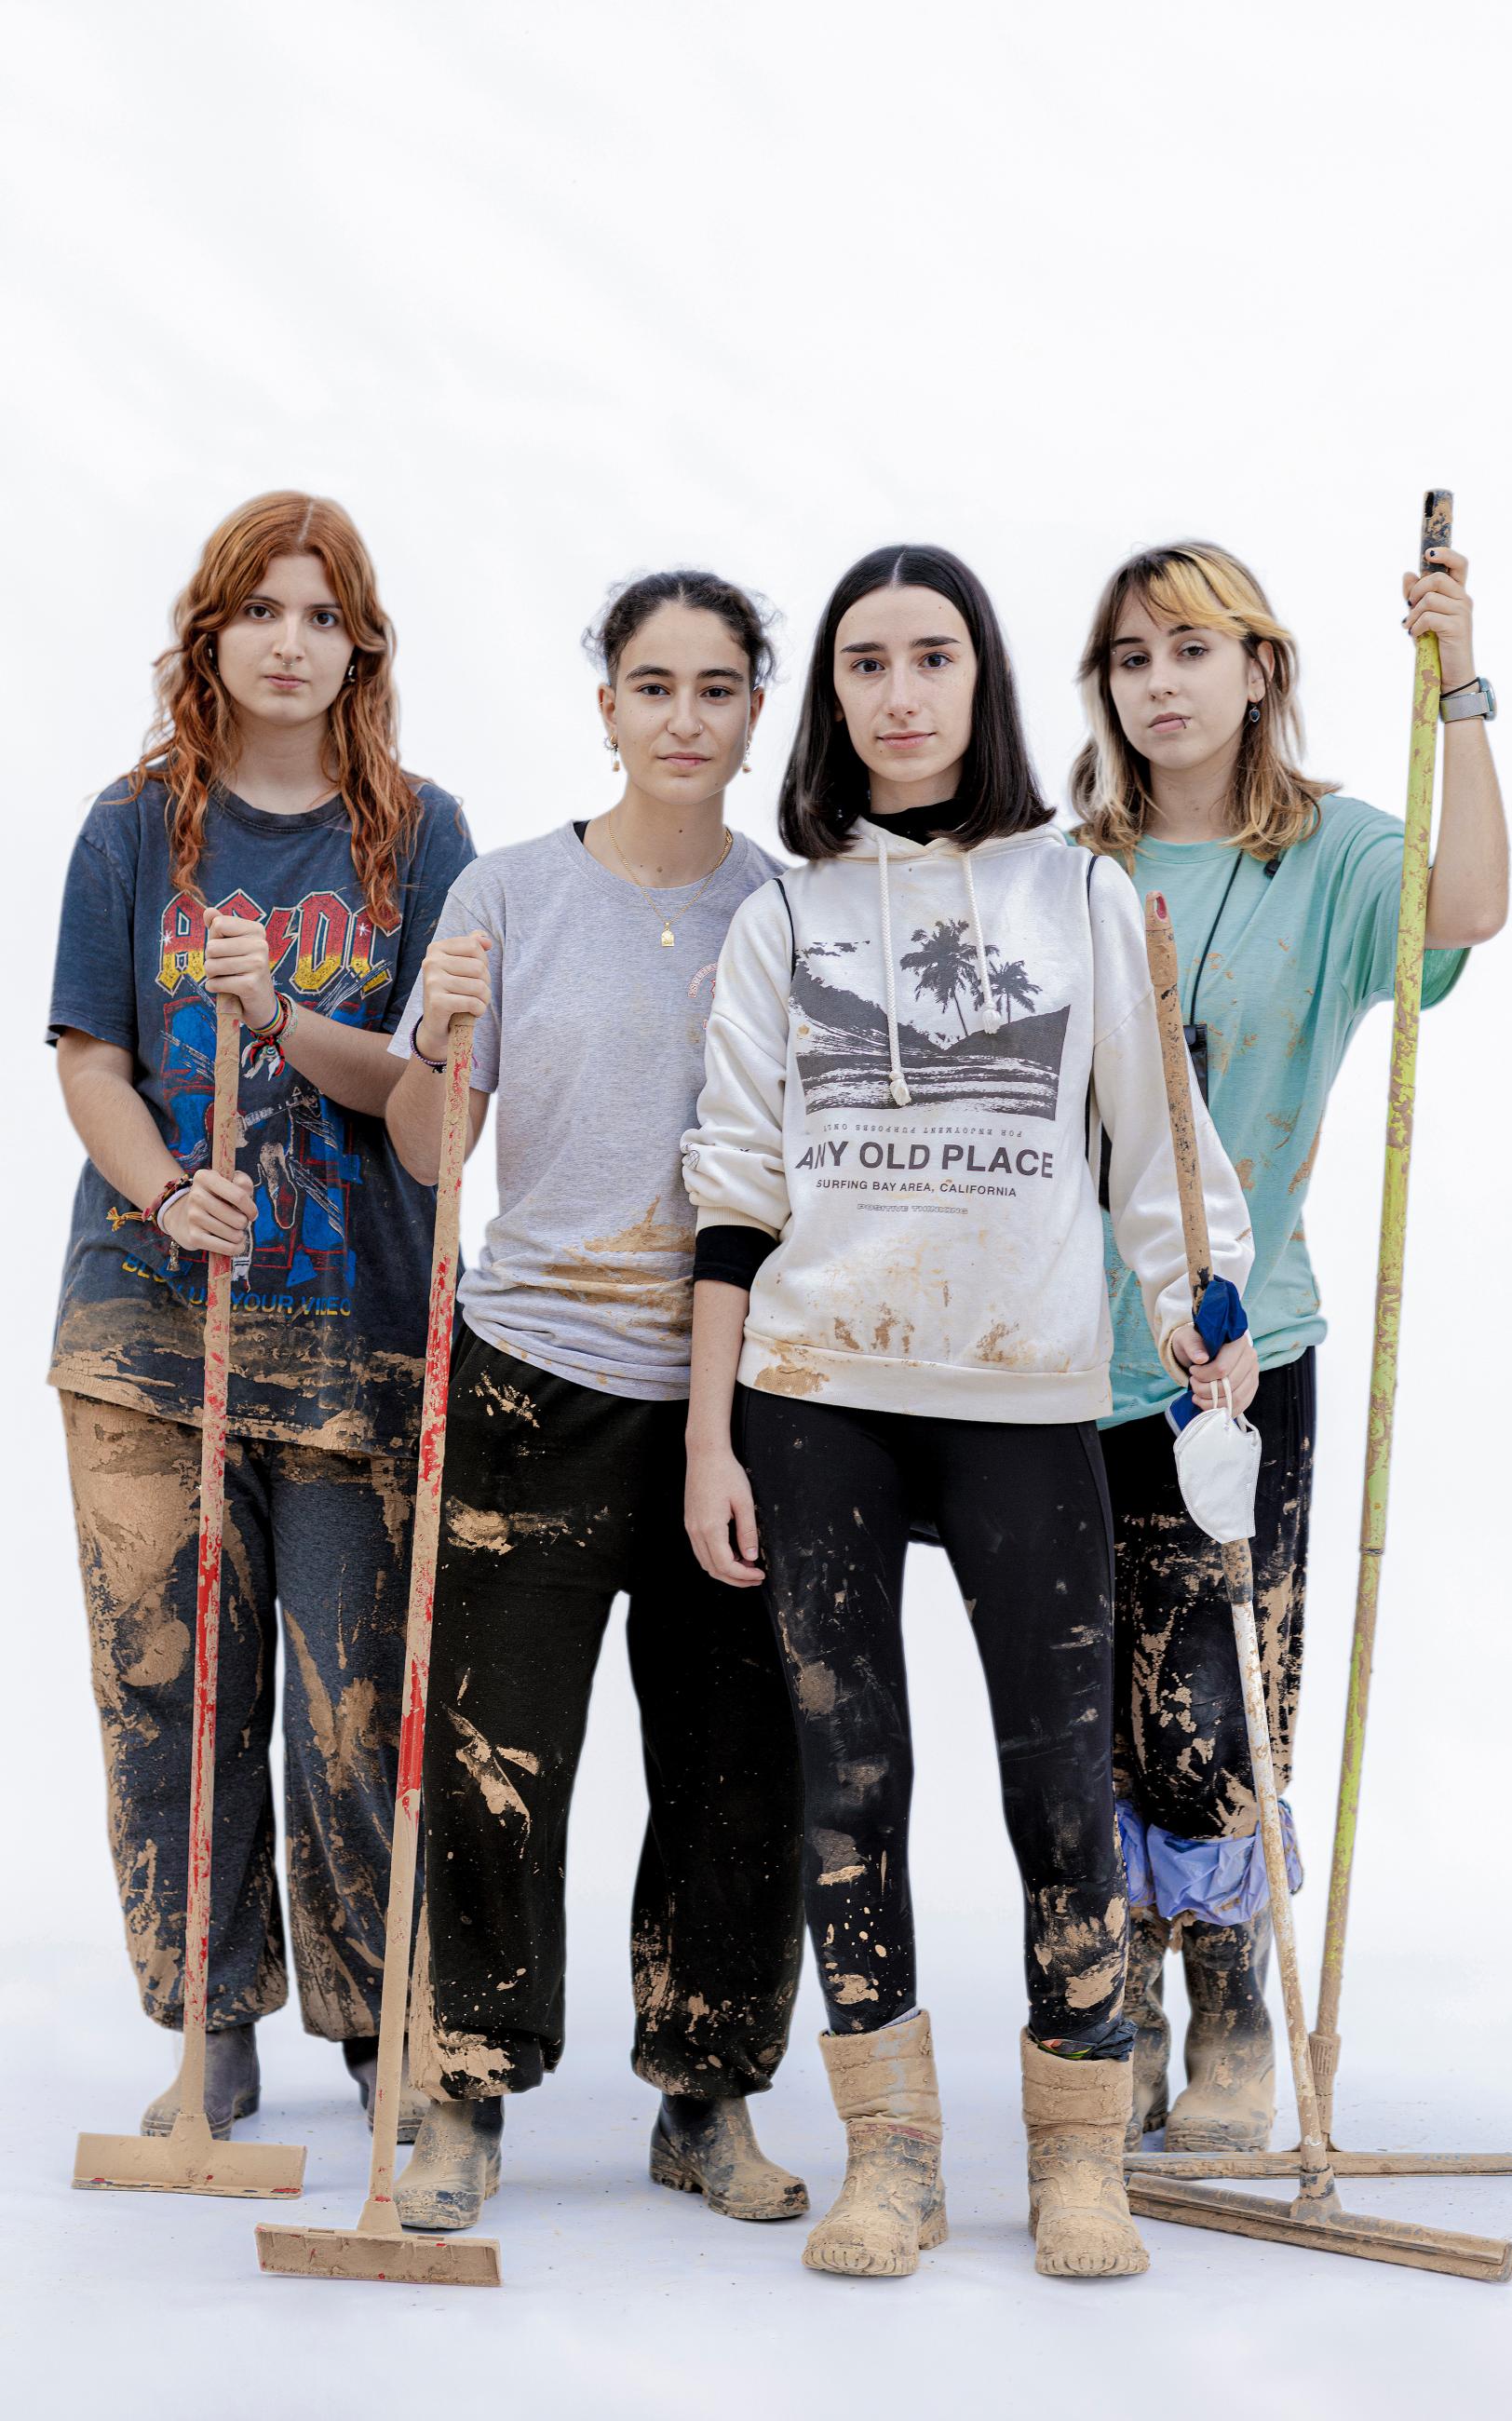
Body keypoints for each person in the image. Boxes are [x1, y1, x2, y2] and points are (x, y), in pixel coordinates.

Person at [681, 543, 1253, 2281]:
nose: (900, 693)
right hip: (818, 1392)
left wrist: (1201, 1299)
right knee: (849, 1775)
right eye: (865, 663)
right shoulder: (783, 918)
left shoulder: (1080, 895)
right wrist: (708, 1437)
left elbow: (1156, 1145)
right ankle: (894, 2157)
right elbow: (734, 1188)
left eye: (932, 657)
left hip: (1024, 1389)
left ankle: (1076, 2156)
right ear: (831, 698)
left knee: (1058, 1775)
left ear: (981, 683)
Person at [1071, 538, 1507, 2152]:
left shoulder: (1331, 857)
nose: (1160, 684)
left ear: (1259, 670)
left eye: (1192, 649)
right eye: (1129, 658)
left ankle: (1229, 2001)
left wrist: (1459, 690)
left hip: (1244, 1354)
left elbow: (1468, 909)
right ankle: (1109, 1998)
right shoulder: (1069, 870)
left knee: (1217, 1699)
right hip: (1061, 1357)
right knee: (1085, 1703)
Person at [48, 490, 474, 2141]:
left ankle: (375, 2026)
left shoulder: (419, 836)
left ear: (359, 648)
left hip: (357, 1332)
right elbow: (93, 1058)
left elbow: (427, 1095)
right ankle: (206, 2022)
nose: (289, 642)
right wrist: (168, 1190)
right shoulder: (132, 826)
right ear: (210, 632)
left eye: (322, 616)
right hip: (148, 1332)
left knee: (352, 1702)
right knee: (169, 1689)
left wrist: (280, 1014)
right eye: (259, 610)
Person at [384, 570, 805, 2235]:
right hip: (529, 1380)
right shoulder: (505, 894)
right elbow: (433, 1152)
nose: (682, 719)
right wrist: (439, 1041)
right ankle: (463, 2095)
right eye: (652, 686)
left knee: (735, 1765)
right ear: (607, 707)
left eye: (716, 688)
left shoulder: (789, 913)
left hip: (735, 1394)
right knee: (495, 1755)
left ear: (756, 709)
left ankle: (707, 2095)